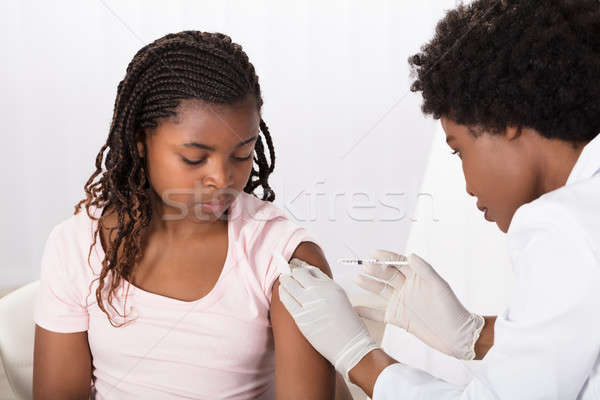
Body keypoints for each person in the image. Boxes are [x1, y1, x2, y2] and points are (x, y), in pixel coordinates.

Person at [278, 0, 600, 398]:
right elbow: (573, 337)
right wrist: (477, 336)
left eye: (459, 150)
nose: (467, 184)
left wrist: (358, 356)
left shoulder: (564, 225)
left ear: (508, 121)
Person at [32, 30, 352, 399]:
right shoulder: (76, 246)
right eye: (194, 158)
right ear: (140, 141)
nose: (221, 178)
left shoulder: (282, 257)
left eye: (241, 154)